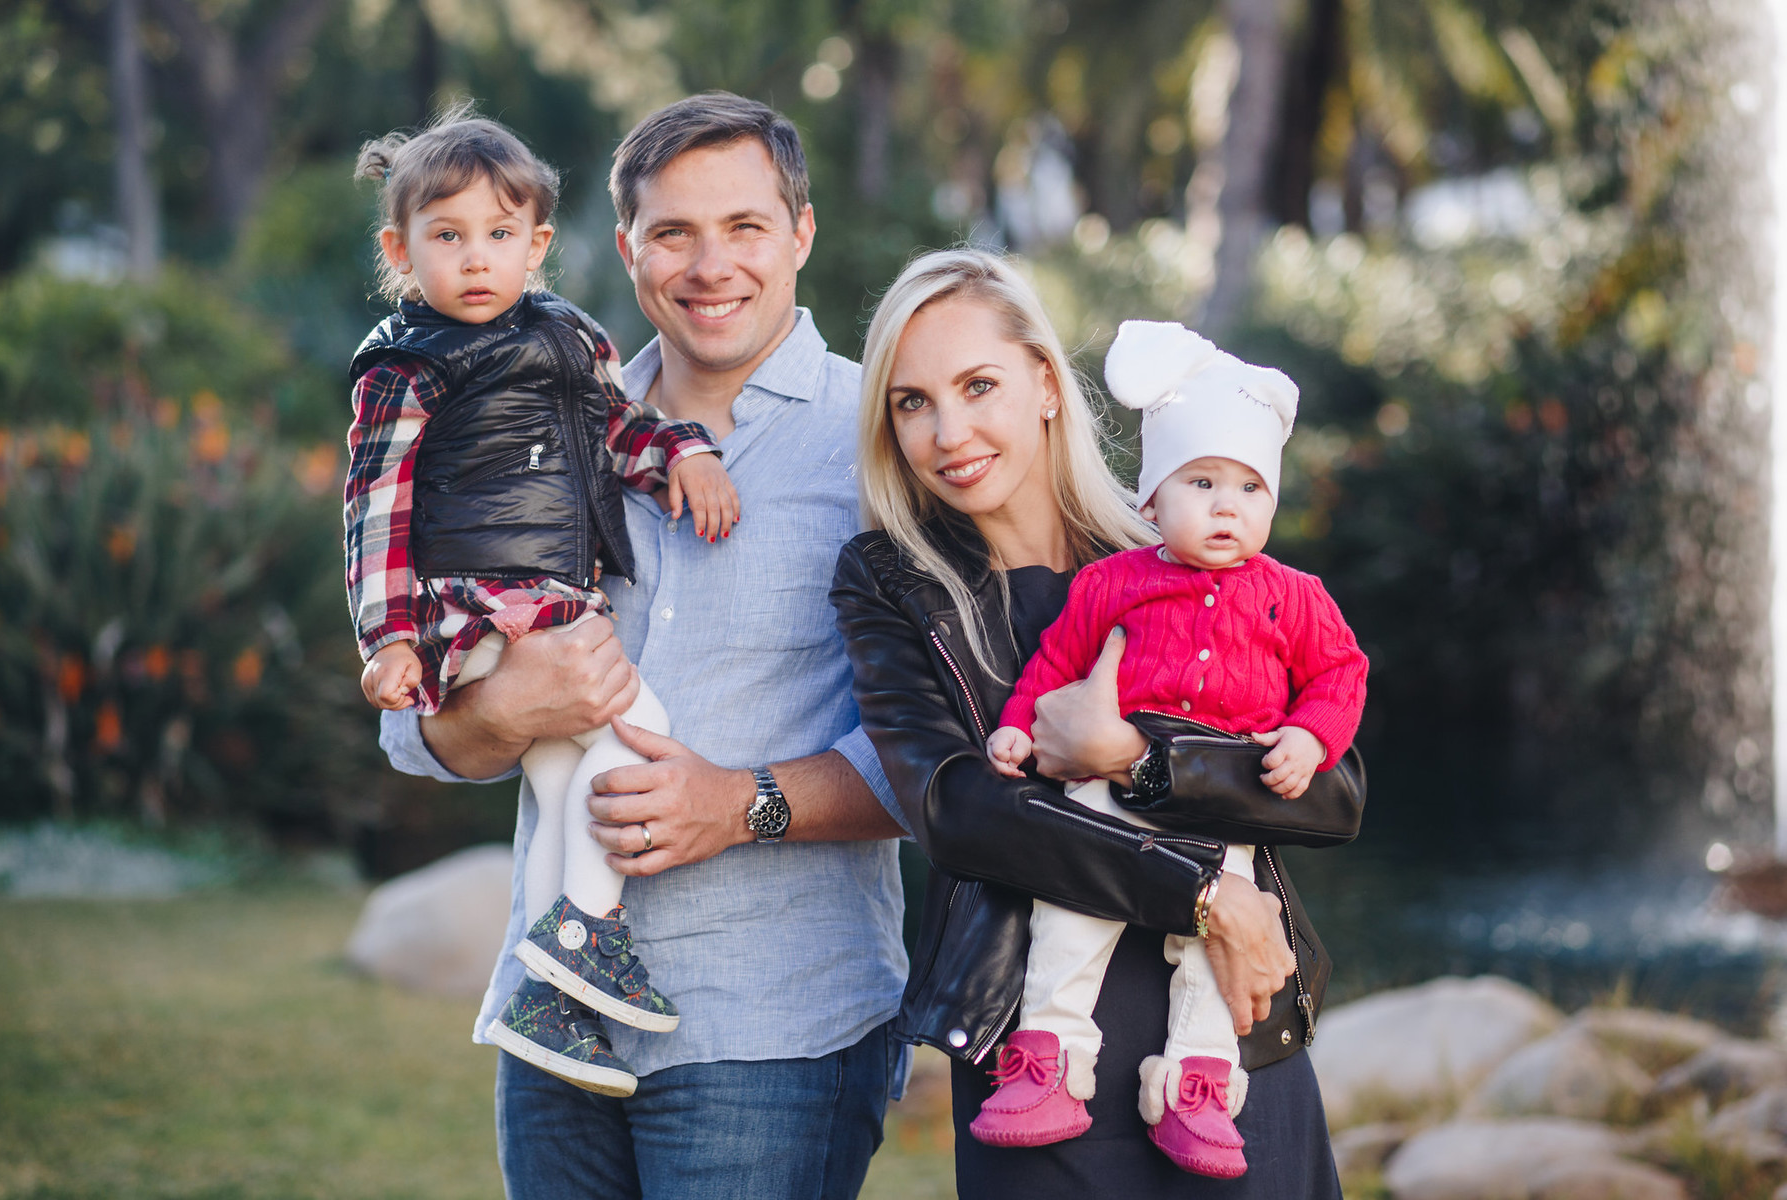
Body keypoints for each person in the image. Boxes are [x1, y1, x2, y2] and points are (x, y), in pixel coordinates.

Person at [377, 92, 907, 1200]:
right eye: (673, 232)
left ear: (801, 234)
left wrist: (742, 802)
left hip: (773, 1031)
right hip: (550, 1029)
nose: (710, 264)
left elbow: (944, 753)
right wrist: (501, 706)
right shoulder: (532, 408)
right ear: (627, 249)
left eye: (746, 227)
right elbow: (420, 739)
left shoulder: (885, 447)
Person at [831, 248, 1352, 1197]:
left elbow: (1333, 794)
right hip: (1036, 1056)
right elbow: (958, 811)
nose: (949, 431)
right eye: (911, 401)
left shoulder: (1187, 542)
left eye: (978, 385)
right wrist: (1203, 890)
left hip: (1227, 1043)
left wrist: (1135, 759)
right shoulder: (892, 580)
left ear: (1043, 382)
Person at [345, 106, 743, 1096]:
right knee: (636, 725)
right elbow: (375, 507)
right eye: (447, 237)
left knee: (568, 777)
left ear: (536, 245)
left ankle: (550, 992)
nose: (475, 260)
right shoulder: (407, 364)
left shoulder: (570, 336)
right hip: (472, 606)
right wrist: (389, 637)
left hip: (552, 599)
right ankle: (585, 935)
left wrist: (682, 452)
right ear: (401, 250)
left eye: (497, 235)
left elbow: (618, 428)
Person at [979, 320, 1367, 1175]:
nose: (1228, 504)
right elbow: (1057, 663)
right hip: (1098, 799)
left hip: (1215, 798)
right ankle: (1049, 1061)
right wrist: (1018, 721)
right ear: (1153, 498)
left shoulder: (1294, 597)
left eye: (1250, 488)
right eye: (1202, 481)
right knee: (1069, 916)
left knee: (1210, 954)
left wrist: (1309, 734)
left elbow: (1342, 674)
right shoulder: (1111, 583)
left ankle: (1196, 1088)